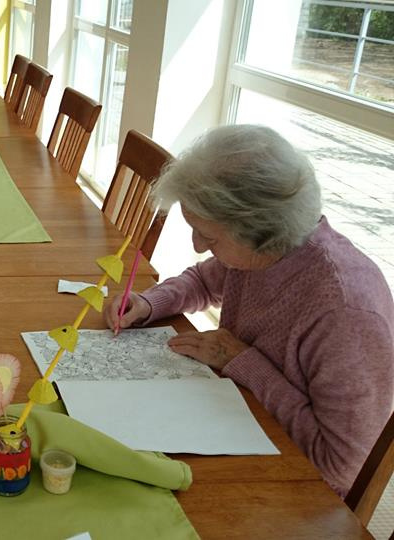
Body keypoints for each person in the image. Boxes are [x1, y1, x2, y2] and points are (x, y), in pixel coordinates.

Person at [104, 125, 394, 497]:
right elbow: (203, 281)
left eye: (208, 237)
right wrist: (148, 303)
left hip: (296, 489)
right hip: (237, 420)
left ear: (262, 231)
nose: (197, 246)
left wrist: (244, 363)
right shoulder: (261, 252)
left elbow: (342, 467)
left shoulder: (346, 314)